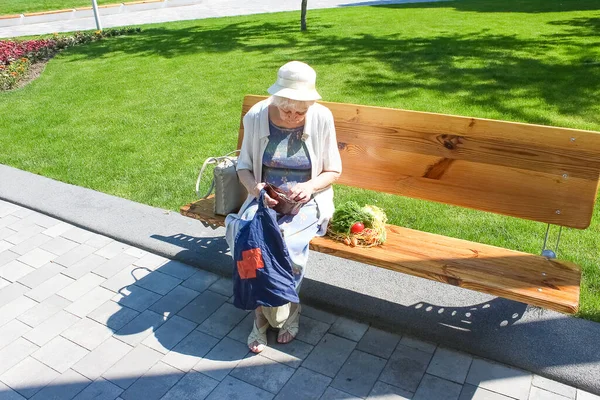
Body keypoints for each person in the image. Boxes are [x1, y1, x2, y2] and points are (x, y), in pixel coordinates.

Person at [225, 61, 342, 353]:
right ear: (275, 100)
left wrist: (309, 187)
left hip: (307, 199)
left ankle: (287, 307)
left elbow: (334, 171)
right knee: (248, 241)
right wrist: (256, 189)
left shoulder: (321, 118)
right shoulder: (257, 116)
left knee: (285, 245)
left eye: (300, 111)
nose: (292, 117)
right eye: (286, 110)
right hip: (265, 198)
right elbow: (243, 168)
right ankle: (263, 316)